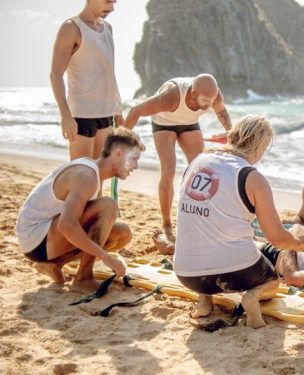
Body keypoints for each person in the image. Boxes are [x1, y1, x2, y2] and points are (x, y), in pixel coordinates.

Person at [173, 115, 304, 329]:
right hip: (233, 274)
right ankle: (252, 297)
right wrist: (301, 245)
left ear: (232, 136)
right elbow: (276, 238)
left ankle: (204, 300)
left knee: (204, 228)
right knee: (272, 281)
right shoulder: (252, 177)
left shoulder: (197, 162)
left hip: (186, 273)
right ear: (261, 146)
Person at [15, 128, 145, 293]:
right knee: (108, 206)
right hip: (34, 238)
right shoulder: (87, 176)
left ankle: (54, 265)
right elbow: (67, 225)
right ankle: (83, 279)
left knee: (122, 233)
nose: (136, 166)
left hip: (44, 238)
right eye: (134, 159)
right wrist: (107, 259)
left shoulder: (94, 174)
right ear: (118, 154)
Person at [124, 74, 232, 241]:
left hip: (189, 123)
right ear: (192, 93)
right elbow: (135, 111)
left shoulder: (213, 96)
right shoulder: (171, 97)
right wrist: (120, 141)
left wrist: (230, 133)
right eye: (204, 101)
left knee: (201, 169)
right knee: (169, 170)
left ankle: (202, 216)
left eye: (209, 103)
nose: (206, 107)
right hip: (164, 122)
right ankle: (167, 225)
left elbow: (222, 113)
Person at [50, 0, 124, 160]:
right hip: (82, 114)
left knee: (99, 176)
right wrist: (65, 116)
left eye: (114, 2)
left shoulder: (108, 29)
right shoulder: (71, 28)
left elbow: (109, 72)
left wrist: (117, 109)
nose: (111, 8)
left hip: (106, 113)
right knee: (81, 174)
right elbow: (55, 74)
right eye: (107, 2)